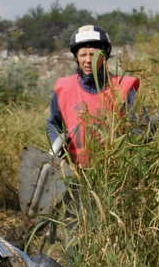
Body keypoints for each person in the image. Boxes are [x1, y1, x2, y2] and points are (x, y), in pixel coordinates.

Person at [48, 24, 140, 167]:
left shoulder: (124, 88)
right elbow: (53, 123)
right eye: (83, 54)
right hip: (75, 174)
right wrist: (58, 143)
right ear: (76, 58)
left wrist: (118, 140)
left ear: (104, 56)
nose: (88, 60)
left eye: (93, 54)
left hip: (116, 174)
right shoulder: (63, 89)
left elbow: (143, 128)